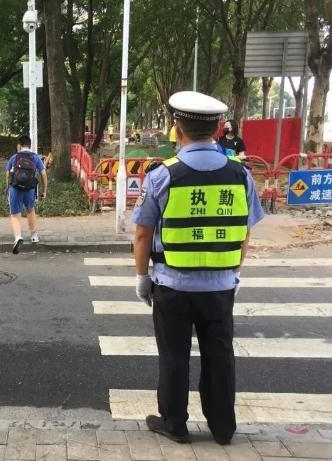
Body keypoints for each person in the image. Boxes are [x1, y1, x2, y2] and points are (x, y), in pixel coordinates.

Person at [132, 91, 264, 445]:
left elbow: (142, 233)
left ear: (177, 128)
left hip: (172, 286)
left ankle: (174, 423)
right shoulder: (240, 174)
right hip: (220, 287)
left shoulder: (163, 175)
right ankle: (223, 427)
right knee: (220, 356)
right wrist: (234, 272)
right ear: (219, 128)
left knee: (174, 357)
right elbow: (244, 230)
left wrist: (142, 277)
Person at [5, 135, 48, 254]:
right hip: (30, 188)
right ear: (30, 145)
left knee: (15, 214)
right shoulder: (35, 157)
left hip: (15, 188)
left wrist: (7, 188)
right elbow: (43, 174)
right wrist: (44, 191)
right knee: (30, 209)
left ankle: (18, 236)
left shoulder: (14, 157)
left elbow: (8, 174)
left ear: (19, 145)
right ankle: (34, 235)